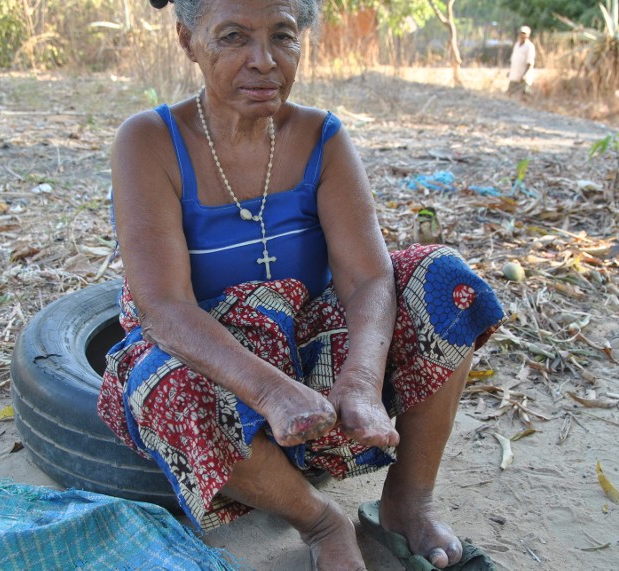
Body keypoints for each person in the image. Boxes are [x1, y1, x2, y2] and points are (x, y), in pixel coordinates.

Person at [96, 0, 505, 569]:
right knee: (163, 386)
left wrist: (361, 383)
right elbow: (164, 307)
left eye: (283, 37)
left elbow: (368, 277)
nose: (263, 61)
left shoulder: (321, 136)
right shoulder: (149, 141)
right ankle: (320, 521)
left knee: (444, 281)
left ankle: (407, 503)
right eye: (234, 37)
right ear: (188, 40)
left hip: (306, 334)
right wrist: (273, 393)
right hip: (207, 345)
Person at [507, 25, 535, 98]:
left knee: (524, 97)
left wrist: (525, 74)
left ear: (528, 35)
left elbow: (530, 62)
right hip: (514, 75)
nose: (522, 35)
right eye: (521, 33)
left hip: (523, 77)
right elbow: (514, 59)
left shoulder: (530, 46)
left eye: (524, 34)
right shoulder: (517, 45)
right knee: (510, 95)